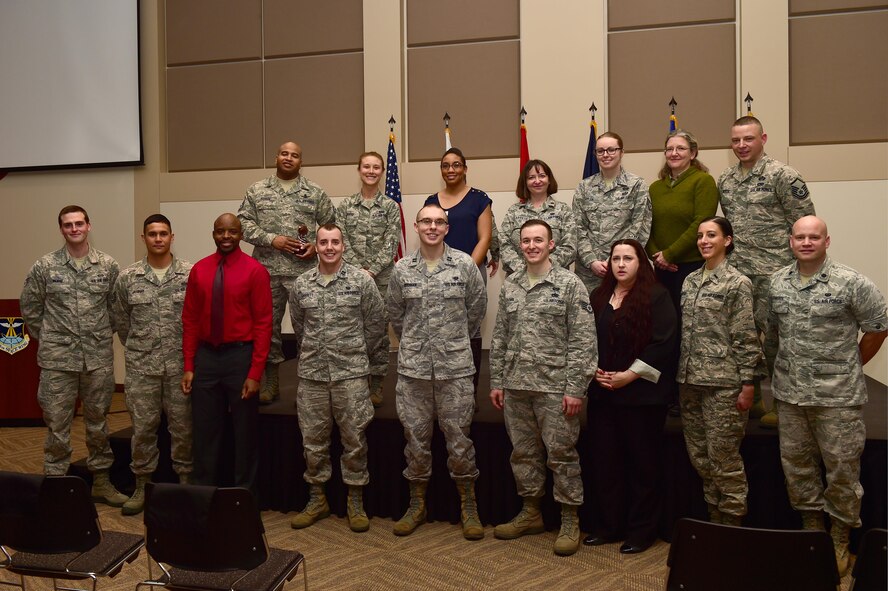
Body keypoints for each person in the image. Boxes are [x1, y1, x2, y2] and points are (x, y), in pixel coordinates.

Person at [765, 215, 886, 576]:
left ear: (827, 241)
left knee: (842, 471)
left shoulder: (851, 283)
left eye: (813, 237)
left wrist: (851, 363)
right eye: (800, 237)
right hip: (789, 396)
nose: (806, 242)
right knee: (797, 469)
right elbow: (773, 335)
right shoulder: (777, 283)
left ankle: (839, 539)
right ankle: (812, 533)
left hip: (838, 399)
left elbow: (878, 327)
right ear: (791, 242)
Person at [489, 220, 596, 557]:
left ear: (552, 245)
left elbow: (583, 341)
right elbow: (501, 336)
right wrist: (496, 381)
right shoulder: (511, 284)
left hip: (555, 387)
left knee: (562, 455)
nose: (532, 245)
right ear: (520, 245)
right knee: (523, 453)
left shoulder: (570, 284)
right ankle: (531, 512)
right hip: (517, 385)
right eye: (526, 240)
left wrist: (576, 388)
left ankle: (569, 518)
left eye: (539, 240)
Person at [386, 204, 487, 539]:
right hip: (414, 371)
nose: (432, 226)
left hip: (455, 369)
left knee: (459, 440)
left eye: (439, 222)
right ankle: (417, 504)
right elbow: (396, 314)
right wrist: (418, 342)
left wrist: (449, 339)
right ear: (416, 226)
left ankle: (468, 504)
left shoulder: (465, 265)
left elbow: (476, 310)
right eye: (426, 221)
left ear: (447, 228)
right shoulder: (402, 269)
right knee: (415, 440)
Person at [20, 205, 127, 505]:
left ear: (89, 226)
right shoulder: (45, 266)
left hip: (97, 361)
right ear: (62, 229)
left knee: (98, 422)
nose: (74, 229)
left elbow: (115, 309)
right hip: (57, 363)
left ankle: (101, 482)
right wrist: (53, 338)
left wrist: (99, 334)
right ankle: (55, 485)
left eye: (79, 223)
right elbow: (30, 307)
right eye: (68, 225)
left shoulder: (107, 266)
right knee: (57, 424)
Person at [287, 224, 388, 533]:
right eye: (323, 242)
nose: (329, 247)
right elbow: (300, 329)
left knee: (355, 440)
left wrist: (370, 371)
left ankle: (354, 500)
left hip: (352, 375)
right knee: (313, 442)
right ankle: (318, 499)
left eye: (335, 242)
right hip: (313, 377)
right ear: (316, 246)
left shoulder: (362, 282)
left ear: (344, 246)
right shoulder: (302, 284)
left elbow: (376, 329)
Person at [718, 115, 815, 427]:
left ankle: (782, 403)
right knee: (744, 337)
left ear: (763, 139)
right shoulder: (726, 180)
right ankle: (755, 398)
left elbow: (804, 226)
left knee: (778, 340)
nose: (742, 145)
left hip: (777, 273)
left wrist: (802, 272)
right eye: (736, 140)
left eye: (748, 139)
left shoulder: (784, 175)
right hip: (740, 274)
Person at [584, 239, 678, 554]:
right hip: (604, 395)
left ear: (641, 263)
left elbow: (663, 343)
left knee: (643, 465)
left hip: (642, 397)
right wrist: (592, 370)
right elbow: (585, 339)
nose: (621, 264)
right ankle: (609, 526)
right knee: (605, 463)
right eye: (615, 258)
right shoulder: (599, 296)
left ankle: (641, 531)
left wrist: (629, 375)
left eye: (629, 258)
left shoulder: (656, 296)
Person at [181, 213, 273, 497]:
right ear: (213, 234)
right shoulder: (199, 270)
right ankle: (202, 495)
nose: (226, 237)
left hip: (240, 358)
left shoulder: (255, 271)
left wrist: (255, 373)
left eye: (232, 231)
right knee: (204, 433)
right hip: (206, 359)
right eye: (220, 231)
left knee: (244, 434)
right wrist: (189, 365)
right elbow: (190, 320)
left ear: (241, 234)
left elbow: (263, 324)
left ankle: (243, 497)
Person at [677, 217, 761, 527]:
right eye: (700, 235)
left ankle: (732, 523)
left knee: (724, 459)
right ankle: (714, 518)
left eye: (711, 235)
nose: (703, 241)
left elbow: (745, 335)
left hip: (724, 384)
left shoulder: (737, 282)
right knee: (701, 458)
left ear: (727, 240)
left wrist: (748, 382)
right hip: (689, 381)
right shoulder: (690, 281)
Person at [237, 141, 335, 403]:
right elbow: (242, 225)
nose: (289, 158)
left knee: (308, 329)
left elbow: (331, 227)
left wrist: (317, 245)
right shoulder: (257, 190)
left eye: (294, 155)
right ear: (276, 157)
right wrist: (272, 239)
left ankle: (309, 383)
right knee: (267, 329)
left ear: (301, 162)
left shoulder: (314, 192)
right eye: (284, 154)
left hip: (303, 275)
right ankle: (271, 380)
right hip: (265, 273)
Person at [112, 214, 193, 515]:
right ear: (143, 238)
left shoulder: (190, 274)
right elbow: (122, 322)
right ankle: (141, 486)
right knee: (143, 430)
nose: (158, 238)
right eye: (152, 234)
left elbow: (197, 319)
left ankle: (186, 485)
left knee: (184, 429)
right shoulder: (127, 277)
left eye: (163, 233)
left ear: (172, 236)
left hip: (179, 369)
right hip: (141, 369)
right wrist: (140, 349)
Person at [424, 148, 493, 394]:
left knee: (470, 329)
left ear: (465, 168)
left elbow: (485, 238)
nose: (450, 170)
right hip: (436, 275)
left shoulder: (479, 199)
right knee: (439, 327)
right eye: (445, 165)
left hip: (471, 272)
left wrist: (464, 270)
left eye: (456, 165)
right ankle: (442, 389)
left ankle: (468, 391)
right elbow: (428, 237)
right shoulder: (431, 201)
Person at [336, 151, 401, 406]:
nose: (371, 171)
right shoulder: (345, 206)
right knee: (351, 329)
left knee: (378, 332)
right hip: (350, 276)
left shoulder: (390, 207)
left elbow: (391, 242)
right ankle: (355, 380)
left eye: (376, 167)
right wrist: (357, 269)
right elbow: (342, 240)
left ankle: (376, 384)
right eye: (366, 166)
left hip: (382, 278)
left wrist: (371, 270)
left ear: (382, 171)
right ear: (359, 170)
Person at [646, 129, 719, 307]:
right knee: (665, 322)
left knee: (688, 320)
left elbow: (702, 223)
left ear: (692, 153)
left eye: (680, 148)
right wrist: (657, 257)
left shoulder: (703, 181)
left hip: (691, 265)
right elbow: (646, 225)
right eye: (669, 149)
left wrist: (669, 254)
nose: (674, 153)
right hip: (661, 268)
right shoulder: (655, 187)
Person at [572, 132, 652, 294]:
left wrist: (616, 259)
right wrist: (591, 260)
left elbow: (640, 226)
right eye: (600, 151)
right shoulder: (584, 187)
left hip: (625, 268)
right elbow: (577, 228)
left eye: (611, 150)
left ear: (621, 153)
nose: (605, 155)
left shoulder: (636, 185)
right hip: (589, 273)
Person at [499, 159, 576, 276]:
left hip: (555, 278)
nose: (537, 181)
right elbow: (504, 244)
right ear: (525, 182)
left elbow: (570, 246)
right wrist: (524, 269)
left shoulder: (563, 211)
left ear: (549, 180)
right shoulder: (513, 212)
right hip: (518, 278)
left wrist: (546, 266)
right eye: (531, 177)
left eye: (542, 176)